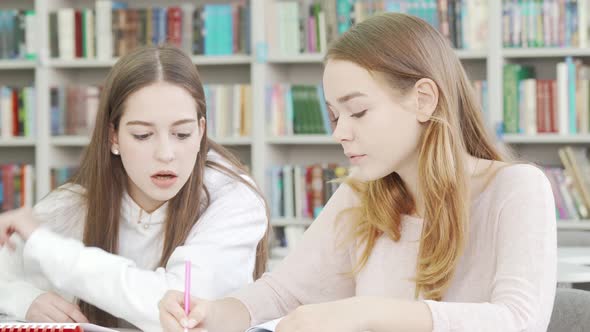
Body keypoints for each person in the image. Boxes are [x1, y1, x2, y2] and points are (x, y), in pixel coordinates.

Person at [158, 13, 557, 332]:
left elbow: (519, 321)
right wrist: (214, 314)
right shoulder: (361, 194)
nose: (339, 132)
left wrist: (367, 314)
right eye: (335, 114)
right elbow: (283, 294)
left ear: (423, 99)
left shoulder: (515, 188)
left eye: (358, 111)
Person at [0, 45, 269, 331]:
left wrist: (51, 249)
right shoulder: (72, 205)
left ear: (201, 131)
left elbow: (178, 312)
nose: (166, 153)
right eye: (143, 135)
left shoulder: (232, 198)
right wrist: (23, 299)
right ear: (113, 137)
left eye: (182, 134)